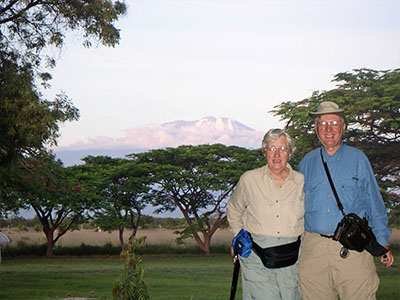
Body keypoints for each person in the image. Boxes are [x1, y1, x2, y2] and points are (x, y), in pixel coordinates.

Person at [298, 101, 394, 300]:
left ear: (343, 127)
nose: (329, 129)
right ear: (316, 128)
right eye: (323, 124)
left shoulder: (358, 159)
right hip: (313, 250)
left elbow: (374, 202)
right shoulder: (306, 163)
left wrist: (382, 241)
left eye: (334, 123)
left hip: (353, 247)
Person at [227, 128, 304, 300]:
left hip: (291, 257)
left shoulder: (301, 181)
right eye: (271, 148)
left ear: (290, 153)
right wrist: (238, 236)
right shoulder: (249, 179)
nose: (277, 155)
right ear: (265, 152)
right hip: (256, 255)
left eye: (282, 149)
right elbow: (234, 208)